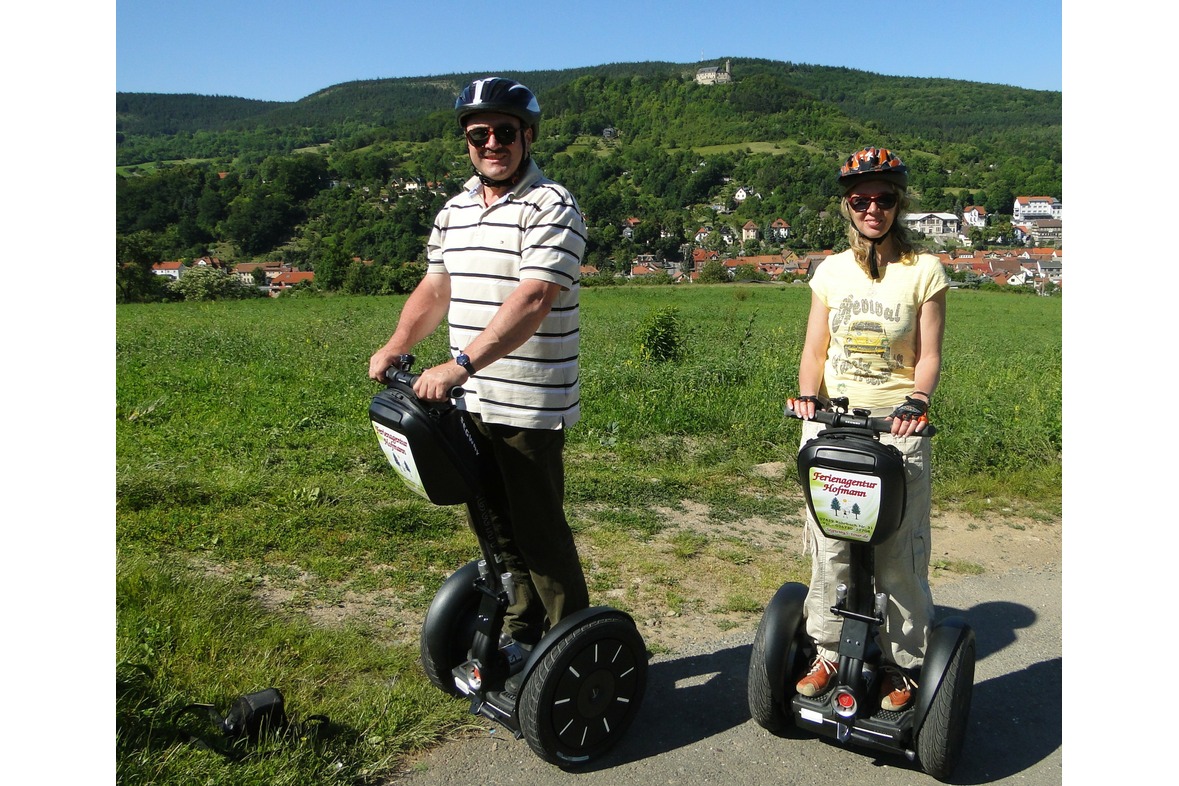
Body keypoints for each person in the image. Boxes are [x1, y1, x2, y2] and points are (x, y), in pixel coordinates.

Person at [368, 77, 590, 659]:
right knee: (493, 529)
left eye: (505, 132)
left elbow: (535, 298)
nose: (493, 143)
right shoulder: (455, 209)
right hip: (466, 402)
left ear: (528, 136)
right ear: (467, 141)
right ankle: (521, 631)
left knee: (540, 536)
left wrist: (460, 363)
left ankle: (574, 651)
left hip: (528, 402)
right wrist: (398, 342)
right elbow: (435, 287)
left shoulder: (551, 204)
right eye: (479, 134)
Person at [788, 146, 949, 712]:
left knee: (898, 555)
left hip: (896, 428)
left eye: (884, 198)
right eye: (862, 199)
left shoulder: (923, 270)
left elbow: (928, 356)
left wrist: (917, 399)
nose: (873, 208)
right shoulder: (829, 271)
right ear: (847, 206)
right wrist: (808, 395)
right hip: (832, 425)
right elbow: (814, 349)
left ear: (898, 202)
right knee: (830, 546)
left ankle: (903, 662)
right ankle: (829, 649)